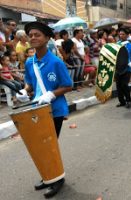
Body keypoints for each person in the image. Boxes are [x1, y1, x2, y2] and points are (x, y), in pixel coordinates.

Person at [15, 21, 73, 198]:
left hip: (54, 109)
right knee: (40, 146)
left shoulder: (56, 62)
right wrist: (25, 91)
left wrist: (51, 95)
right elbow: (30, 83)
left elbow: (68, 85)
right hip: (36, 109)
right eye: (30, 35)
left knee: (50, 145)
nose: (33, 37)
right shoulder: (30, 62)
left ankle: (57, 179)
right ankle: (49, 177)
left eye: (37, 35)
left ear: (47, 38)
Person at [115, 28, 131, 108]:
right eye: (120, 34)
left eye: (123, 34)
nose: (121, 36)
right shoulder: (117, 44)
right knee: (118, 86)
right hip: (118, 68)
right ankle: (122, 102)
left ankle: (128, 101)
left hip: (127, 68)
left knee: (124, 85)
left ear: (127, 35)